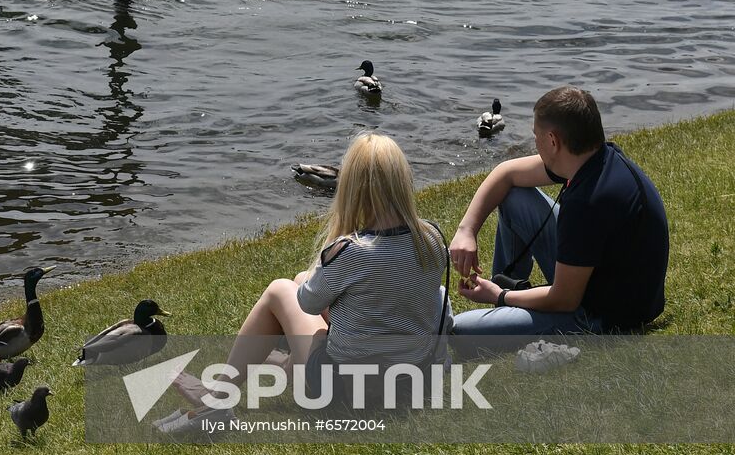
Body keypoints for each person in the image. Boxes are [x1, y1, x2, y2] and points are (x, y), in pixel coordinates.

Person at [169, 133, 449, 418]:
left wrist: (331, 250)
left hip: (343, 393)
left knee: (281, 290)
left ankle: (218, 395)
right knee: (304, 281)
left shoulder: (350, 251)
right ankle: (285, 364)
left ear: (352, 188)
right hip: (410, 382)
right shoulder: (432, 239)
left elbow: (307, 303)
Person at [450, 86, 669, 336]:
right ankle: (506, 285)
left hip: (603, 317)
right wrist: (466, 231)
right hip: (598, 280)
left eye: (536, 136)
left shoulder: (588, 202)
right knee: (514, 194)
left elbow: (565, 300)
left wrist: (501, 296)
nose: (534, 142)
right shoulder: (595, 158)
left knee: (458, 330)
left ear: (553, 141)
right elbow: (506, 174)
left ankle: (503, 297)